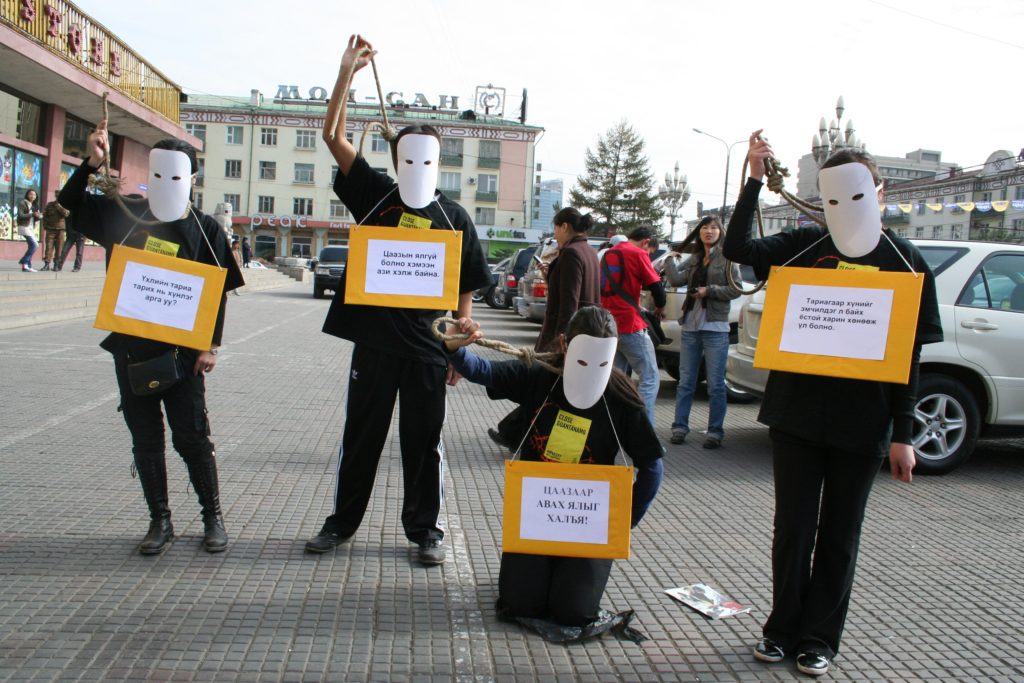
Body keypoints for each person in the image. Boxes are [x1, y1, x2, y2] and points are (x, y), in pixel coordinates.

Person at [723, 131, 942, 677]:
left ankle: (820, 638)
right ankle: (781, 629)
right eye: (833, 198)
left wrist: (903, 434)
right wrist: (753, 180)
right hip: (796, 416)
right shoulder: (805, 245)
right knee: (793, 529)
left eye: (858, 193)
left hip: (863, 426)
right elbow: (738, 252)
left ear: (881, 190)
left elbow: (909, 357)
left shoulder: (905, 260)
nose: (844, 208)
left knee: (841, 534)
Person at [304, 34, 491, 566]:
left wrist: (458, 341)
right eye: (407, 154)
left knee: (422, 443)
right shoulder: (374, 196)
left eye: (426, 155)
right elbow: (332, 134)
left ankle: (424, 531)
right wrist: (345, 73)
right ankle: (341, 524)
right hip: (375, 347)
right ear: (397, 155)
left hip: (428, 353)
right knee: (360, 437)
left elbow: (465, 289)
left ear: (438, 159)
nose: (417, 163)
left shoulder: (454, 217)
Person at [58, 120, 245, 556]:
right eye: (158, 174)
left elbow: (218, 292)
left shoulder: (207, 230)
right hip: (132, 352)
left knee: (192, 438)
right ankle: (159, 520)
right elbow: (70, 202)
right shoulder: (124, 214)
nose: (165, 183)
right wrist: (92, 163)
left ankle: (212, 517)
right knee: (146, 441)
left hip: (184, 357)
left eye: (176, 175)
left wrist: (210, 345)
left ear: (192, 178)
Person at [445, 307, 663, 635]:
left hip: (587, 520)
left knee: (574, 611)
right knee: (521, 604)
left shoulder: (621, 398)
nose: (592, 370)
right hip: (538, 513)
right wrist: (454, 347)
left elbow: (652, 466)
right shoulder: (540, 376)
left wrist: (621, 521)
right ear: (564, 344)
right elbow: (483, 371)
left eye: (602, 361)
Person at [663, 216, 741, 448]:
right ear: (699, 233)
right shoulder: (696, 258)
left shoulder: (728, 259)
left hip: (715, 326)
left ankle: (715, 431)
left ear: (720, 232)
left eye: (714, 228)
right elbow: (676, 278)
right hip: (691, 326)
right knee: (686, 381)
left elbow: (735, 289)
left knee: (716, 383)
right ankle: (679, 427)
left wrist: (710, 291)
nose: (709, 231)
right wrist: (669, 260)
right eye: (705, 228)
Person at [599, 226, 666, 425]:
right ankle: (645, 431)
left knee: (617, 381)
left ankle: (614, 428)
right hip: (629, 324)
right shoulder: (637, 253)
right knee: (650, 378)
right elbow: (657, 288)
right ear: (646, 242)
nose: (648, 254)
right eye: (650, 251)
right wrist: (660, 307)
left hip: (608, 326)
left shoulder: (608, 253)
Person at [535, 208, 601, 353]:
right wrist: (550, 275)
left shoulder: (571, 253)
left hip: (569, 337)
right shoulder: (590, 251)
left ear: (564, 226)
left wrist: (560, 340)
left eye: (555, 228)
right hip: (587, 330)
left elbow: (569, 302)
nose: (555, 234)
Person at [40, 191, 69, 271]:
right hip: (50, 229)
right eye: (57, 196)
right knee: (48, 247)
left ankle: (56, 264)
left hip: (61, 230)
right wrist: (45, 226)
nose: (58, 197)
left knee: (59, 248)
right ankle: (46, 264)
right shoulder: (50, 205)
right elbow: (45, 216)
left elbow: (66, 214)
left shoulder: (65, 205)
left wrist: (58, 206)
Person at [16, 189, 42, 272]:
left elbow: (35, 218)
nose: (32, 196)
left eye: (34, 195)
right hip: (24, 226)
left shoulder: (34, 205)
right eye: (31, 194)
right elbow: (20, 215)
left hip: (30, 227)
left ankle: (27, 266)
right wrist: (32, 214)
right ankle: (24, 260)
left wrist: (38, 216)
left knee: (32, 245)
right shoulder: (23, 203)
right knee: (35, 245)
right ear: (27, 195)